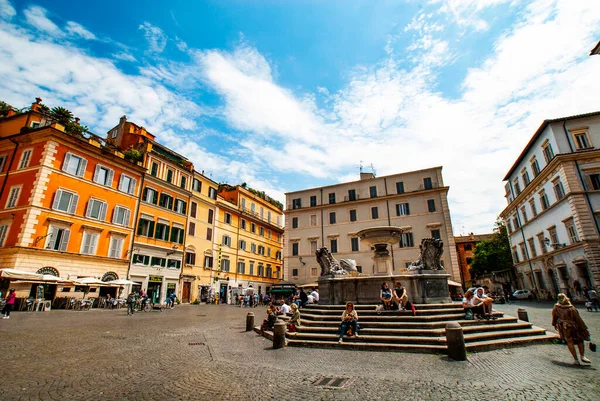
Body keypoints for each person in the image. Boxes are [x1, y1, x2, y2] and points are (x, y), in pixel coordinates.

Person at [552, 293, 591, 365]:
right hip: (574, 326)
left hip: (564, 326)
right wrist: (584, 328)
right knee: (580, 340)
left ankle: (576, 360)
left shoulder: (556, 307)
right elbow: (578, 319)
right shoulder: (571, 307)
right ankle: (582, 356)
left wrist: (554, 324)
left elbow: (554, 316)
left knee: (569, 341)